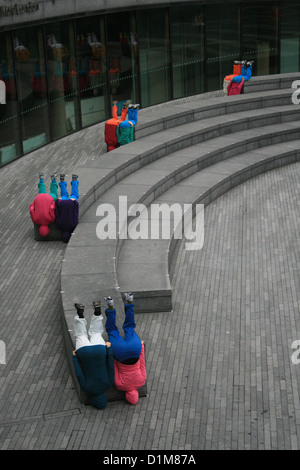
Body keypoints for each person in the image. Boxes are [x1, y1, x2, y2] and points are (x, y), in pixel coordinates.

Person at [104, 293, 146, 405]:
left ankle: (130, 302)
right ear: (127, 396)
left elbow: (142, 363)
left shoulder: (141, 381)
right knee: (112, 330)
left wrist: (141, 347)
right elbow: (114, 367)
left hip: (135, 349)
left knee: (130, 327)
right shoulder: (120, 386)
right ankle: (110, 305)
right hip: (120, 352)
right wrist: (109, 350)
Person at [72, 301, 115, 410]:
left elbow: (111, 365)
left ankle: (97, 313)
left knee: (96, 333)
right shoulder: (87, 388)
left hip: (100, 350)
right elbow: (79, 374)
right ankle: (80, 315)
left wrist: (109, 349)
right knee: (81, 335)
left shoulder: (109, 383)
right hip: (84, 352)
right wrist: (74, 358)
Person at [29, 173, 58, 238]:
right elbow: (31, 210)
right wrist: (33, 204)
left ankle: (53, 180)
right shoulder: (35, 220)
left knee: (54, 194)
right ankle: (41, 180)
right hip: (38, 198)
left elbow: (52, 208)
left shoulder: (50, 220)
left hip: (49, 198)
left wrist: (53, 203)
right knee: (41, 194)